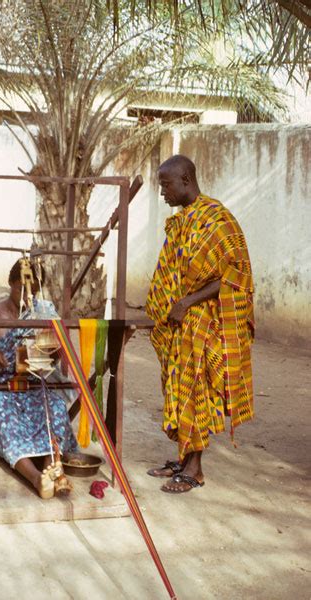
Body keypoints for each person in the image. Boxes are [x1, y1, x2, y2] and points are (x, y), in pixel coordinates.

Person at [145, 155, 255, 494]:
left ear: (186, 181)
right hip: (180, 326)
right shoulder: (182, 222)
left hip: (204, 324)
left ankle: (195, 470)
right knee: (179, 389)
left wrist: (187, 302)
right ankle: (183, 458)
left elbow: (237, 276)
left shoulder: (218, 221)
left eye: (165, 185)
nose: (162, 192)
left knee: (195, 391)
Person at [0, 259, 78, 498]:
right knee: (5, 422)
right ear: (10, 283)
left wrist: (53, 347)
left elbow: (55, 356)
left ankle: (53, 470)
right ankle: (37, 478)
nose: (27, 296)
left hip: (32, 385)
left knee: (56, 409)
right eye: (21, 289)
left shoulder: (41, 313)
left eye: (33, 291)